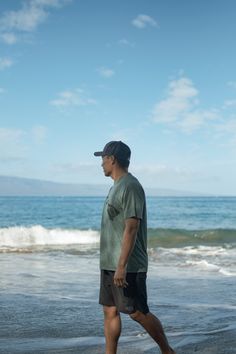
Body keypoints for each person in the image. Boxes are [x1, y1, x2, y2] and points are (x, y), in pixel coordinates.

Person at [94, 141, 175, 354]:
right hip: (109, 262)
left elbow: (132, 228)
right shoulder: (116, 187)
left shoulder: (130, 186)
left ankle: (167, 351)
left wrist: (121, 266)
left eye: (103, 158)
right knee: (109, 310)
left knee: (138, 312)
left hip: (128, 265)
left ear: (112, 159)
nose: (101, 163)